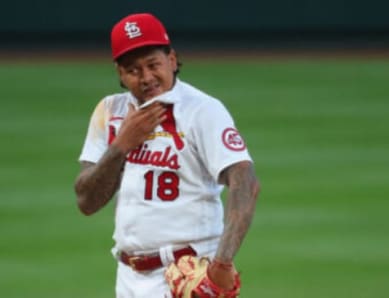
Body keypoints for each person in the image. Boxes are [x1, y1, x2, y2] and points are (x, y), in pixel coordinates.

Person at [74, 12, 260, 298]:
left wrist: (221, 262)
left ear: (172, 60)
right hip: (127, 277)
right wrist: (121, 145)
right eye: (133, 70)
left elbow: (245, 181)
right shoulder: (109, 111)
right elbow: (86, 201)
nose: (147, 77)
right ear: (120, 74)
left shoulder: (202, 111)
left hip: (187, 276)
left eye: (153, 64)